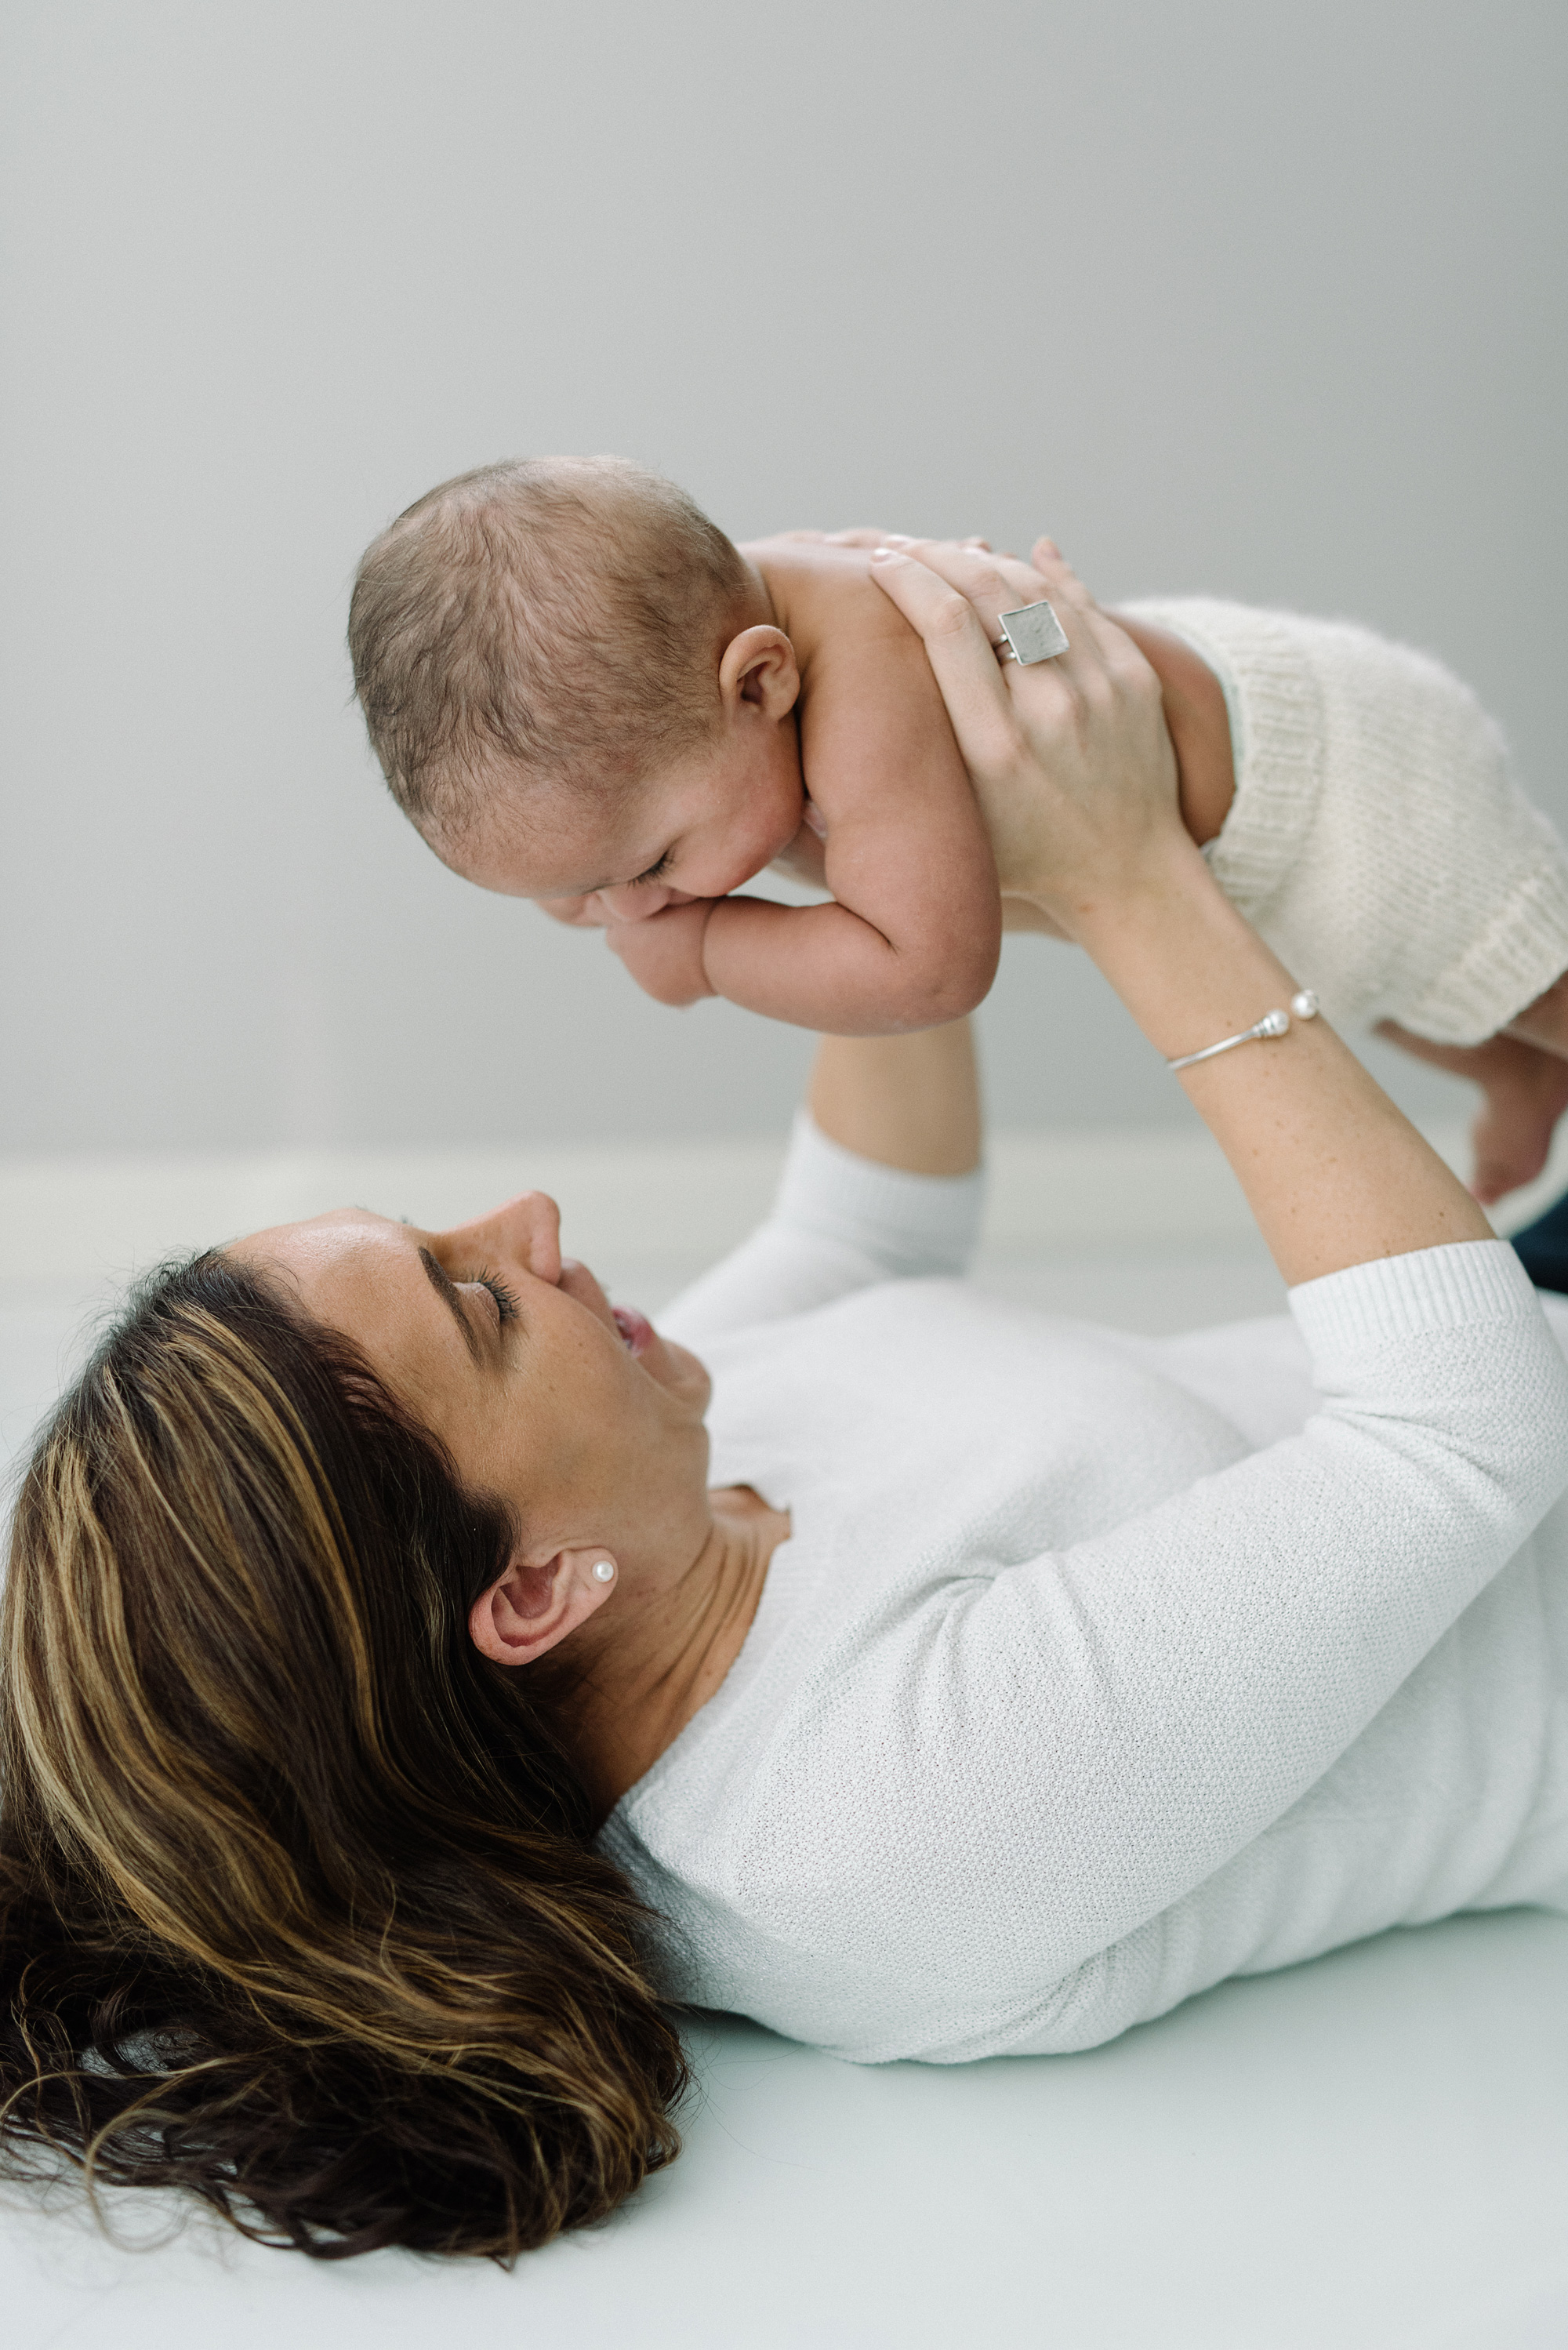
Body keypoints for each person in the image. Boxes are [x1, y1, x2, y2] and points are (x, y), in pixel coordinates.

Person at [7, 542, 1568, 2265]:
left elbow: (865, 1224)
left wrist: (850, 782)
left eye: (437, 1228)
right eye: (474, 1299)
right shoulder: (853, 1832)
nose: (525, 1222)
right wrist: (1126, 872)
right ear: (530, 1591)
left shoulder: (665, 1478)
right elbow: (1458, 1436)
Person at [348, 455, 1568, 1202]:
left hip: (1353, 792)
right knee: (1400, 989)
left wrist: (712, 957)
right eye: (567, 899)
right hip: (1264, 870)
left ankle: (1530, 1051)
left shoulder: (862, 683)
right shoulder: (705, 676)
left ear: (760, 683)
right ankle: (1518, 1077)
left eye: (651, 865)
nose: (630, 911)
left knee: (1516, 966)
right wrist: (628, 876)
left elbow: (928, 965)